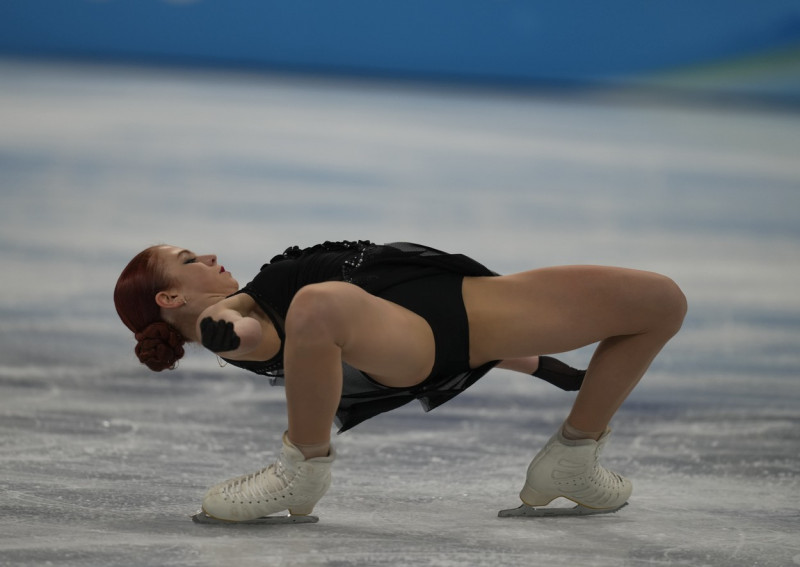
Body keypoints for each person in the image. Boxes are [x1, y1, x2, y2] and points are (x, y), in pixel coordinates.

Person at [114, 240, 686, 522]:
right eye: (190, 258)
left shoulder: (256, 297)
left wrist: (539, 366)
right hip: (415, 340)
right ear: (171, 298)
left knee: (660, 302)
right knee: (320, 303)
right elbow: (241, 330)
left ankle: (575, 455)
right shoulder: (242, 320)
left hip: (480, 310)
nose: (209, 254)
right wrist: (223, 331)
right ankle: (302, 469)